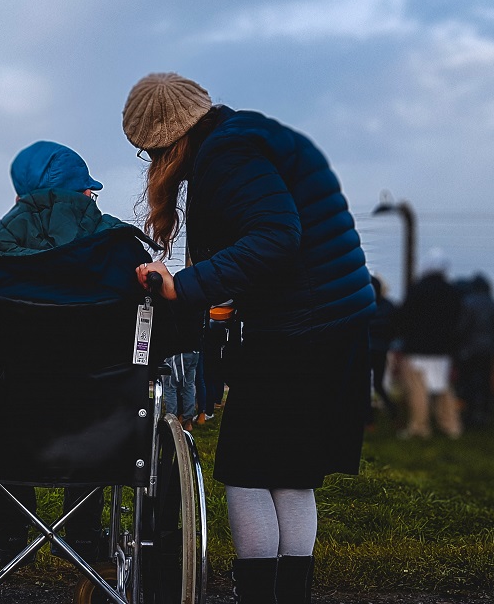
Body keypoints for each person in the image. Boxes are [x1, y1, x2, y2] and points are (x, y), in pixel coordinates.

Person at [124, 72, 375, 604]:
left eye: (151, 154)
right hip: (333, 319)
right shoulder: (244, 138)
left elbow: (276, 235)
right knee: (291, 472)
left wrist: (183, 285)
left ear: (171, 142)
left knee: (245, 469)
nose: (153, 167)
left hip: (301, 326)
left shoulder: (227, 156)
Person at [0, 140, 178, 566]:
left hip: (0, 432)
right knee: (104, 394)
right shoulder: (123, 251)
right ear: (84, 194)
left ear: (20, 196)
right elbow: (163, 339)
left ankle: (4, 529)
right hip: (103, 432)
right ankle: (83, 530)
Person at [396, 248, 464, 439]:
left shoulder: (417, 290)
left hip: (417, 348)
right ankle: (451, 425)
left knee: (418, 390)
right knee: (443, 388)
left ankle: (420, 427)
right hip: (442, 348)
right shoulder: (452, 292)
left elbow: (404, 318)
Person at [455, 273, 494, 429]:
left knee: (469, 383)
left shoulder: (467, 302)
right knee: (485, 382)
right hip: (488, 350)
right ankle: (484, 413)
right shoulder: (493, 303)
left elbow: (462, 327)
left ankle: (471, 415)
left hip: (469, 350)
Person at [368, 275, 398, 423]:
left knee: (362, 384)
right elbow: (396, 327)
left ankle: (368, 419)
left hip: (365, 349)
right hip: (381, 349)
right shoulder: (389, 306)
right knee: (378, 384)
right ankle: (393, 411)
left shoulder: (362, 304)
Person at [162, 350, 199, 430]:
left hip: (178, 351)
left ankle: (172, 422)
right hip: (195, 351)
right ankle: (187, 420)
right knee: (188, 386)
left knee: (170, 386)